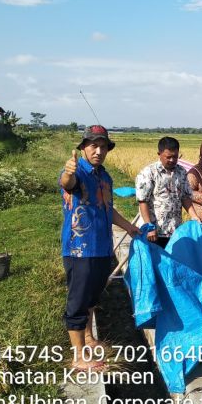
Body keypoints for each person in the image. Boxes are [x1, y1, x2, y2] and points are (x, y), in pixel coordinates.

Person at [59, 125, 140, 371]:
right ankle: (78, 356)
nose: (98, 150)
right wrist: (68, 172)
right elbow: (68, 183)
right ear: (84, 147)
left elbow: (108, 208)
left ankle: (89, 338)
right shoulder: (77, 171)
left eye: (103, 146)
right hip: (79, 249)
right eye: (93, 145)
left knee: (93, 297)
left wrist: (129, 227)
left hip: (103, 247)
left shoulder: (105, 176)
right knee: (78, 301)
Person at [135, 136, 201, 248]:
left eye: (175, 157)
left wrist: (194, 216)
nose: (172, 160)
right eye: (168, 157)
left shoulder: (181, 172)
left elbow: (185, 197)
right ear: (159, 154)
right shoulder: (149, 172)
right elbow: (143, 201)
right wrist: (149, 226)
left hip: (175, 230)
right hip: (154, 231)